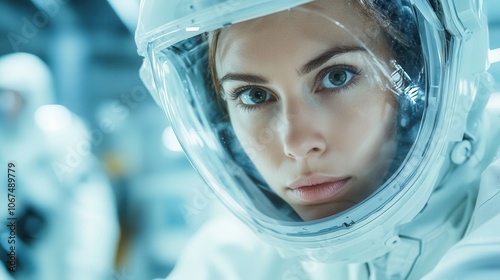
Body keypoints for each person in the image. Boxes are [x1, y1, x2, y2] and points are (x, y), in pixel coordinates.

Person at [135, 0, 500, 279]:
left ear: (422, 78)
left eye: (337, 76)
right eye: (254, 96)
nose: (295, 143)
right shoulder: (228, 262)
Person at [0, 52, 119, 280]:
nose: (5, 104)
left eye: (12, 94)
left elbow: (80, 207)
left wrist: (86, 268)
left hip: (71, 237)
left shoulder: (60, 131)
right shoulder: (8, 143)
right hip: (37, 253)